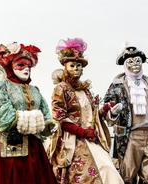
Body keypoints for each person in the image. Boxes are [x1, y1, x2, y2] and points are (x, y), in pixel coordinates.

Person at [0, 42, 56, 184]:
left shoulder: (34, 90)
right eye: (21, 65)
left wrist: (48, 124)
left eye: (29, 66)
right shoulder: (1, 88)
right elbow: (0, 118)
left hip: (33, 151)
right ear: (10, 66)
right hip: (2, 151)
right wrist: (34, 119)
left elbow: (46, 117)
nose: (26, 69)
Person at [48, 38, 124, 184]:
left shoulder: (85, 91)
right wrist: (83, 133)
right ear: (65, 67)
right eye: (72, 65)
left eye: (79, 65)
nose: (76, 68)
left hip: (91, 139)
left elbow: (92, 115)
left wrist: (105, 109)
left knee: (108, 170)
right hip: (72, 142)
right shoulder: (61, 88)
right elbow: (60, 118)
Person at [103, 45, 148, 184]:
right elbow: (107, 107)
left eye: (137, 61)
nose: (135, 65)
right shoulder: (117, 84)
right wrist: (112, 112)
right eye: (130, 62)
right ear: (125, 65)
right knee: (127, 175)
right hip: (129, 136)